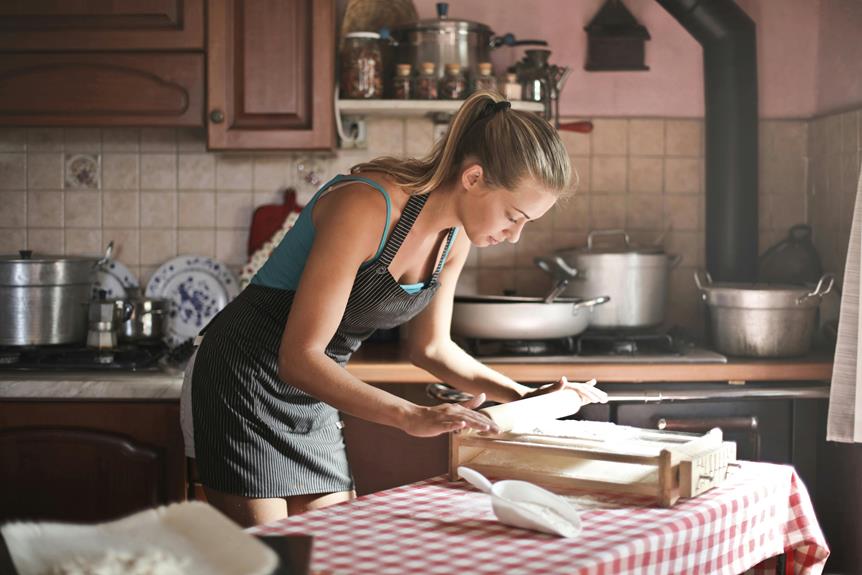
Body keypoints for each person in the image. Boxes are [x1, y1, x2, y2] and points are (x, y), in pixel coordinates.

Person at [180, 91, 608, 527]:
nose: (514, 235)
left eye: (525, 223)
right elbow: (299, 356)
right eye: (512, 216)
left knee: (329, 549)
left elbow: (432, 349)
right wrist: (411, 416)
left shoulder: (455, 238)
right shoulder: (367, 205)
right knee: (269, 558)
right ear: (474, 178)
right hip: (243, 377)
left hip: (316, 386)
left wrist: (527, 398)